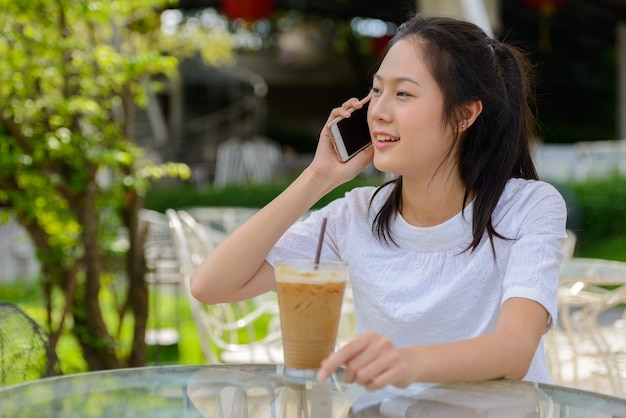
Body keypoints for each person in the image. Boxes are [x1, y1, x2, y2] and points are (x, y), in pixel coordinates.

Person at [190, 13, 567, 391]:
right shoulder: (354, 216)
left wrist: (409, 361)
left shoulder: (527, 207)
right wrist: (318, 178)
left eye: (403, 93)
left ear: (464, 114)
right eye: (376, 91)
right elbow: (212, 285)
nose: (379, 111)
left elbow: (515, 350)